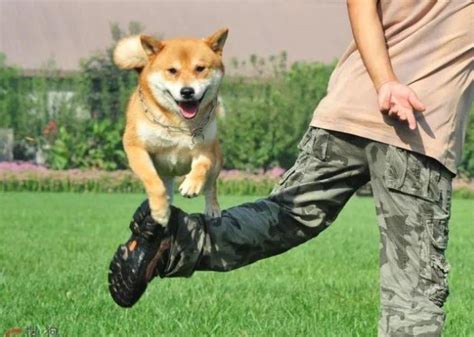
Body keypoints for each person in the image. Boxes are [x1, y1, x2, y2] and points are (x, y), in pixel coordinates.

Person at [108, 1, 473, 335]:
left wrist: (381, 81)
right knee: (414, 285)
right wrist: (389, 83)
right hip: (416, 125)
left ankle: (178, 239)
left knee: (285, 216)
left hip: (345, 112)